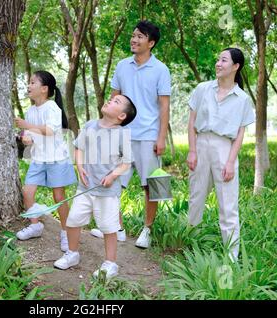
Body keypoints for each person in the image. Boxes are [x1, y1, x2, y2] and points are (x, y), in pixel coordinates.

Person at [90, 20, 171, 248]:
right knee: (114, 182)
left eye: (140, 37)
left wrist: (161, 137)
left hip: (148, 135)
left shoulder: (161, 69)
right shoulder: (122, 65)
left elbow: (164, 106)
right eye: (133, 35)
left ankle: (148, 230)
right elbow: (115, 98)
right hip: (121, 134)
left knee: (153, 185)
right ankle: (118, 228)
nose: (134, 40)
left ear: (151, 43)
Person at [53, 95, 137, 279]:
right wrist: (80, 167)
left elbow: (127, 162)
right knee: (73, 220)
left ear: (122, 116)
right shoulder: (91, 125)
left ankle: (110, 264)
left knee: (108, 227)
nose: (110, 100)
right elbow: (79, 148)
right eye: (111, 98)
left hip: (107, 192)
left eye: (116, 102)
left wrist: (113, 175)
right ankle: (72, 253)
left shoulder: (122, 134)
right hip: (85, 188)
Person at [187, 47, 255, 261]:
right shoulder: (202, 89)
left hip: (225, 149)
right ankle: (191, 246)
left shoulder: (242, 99)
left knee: (228, 204)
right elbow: (191, 122)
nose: (218, 63)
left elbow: (240, 134)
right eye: (218, 59)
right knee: (196, 198)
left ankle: (232, 257)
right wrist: (192, 150)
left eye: (223, 60)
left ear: (236, 66)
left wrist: (230, 162)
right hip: (201, 144)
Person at [14, 70, 77, 252]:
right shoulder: (30, 111)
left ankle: (65, 232)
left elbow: (50, 131)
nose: (28, 86)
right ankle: (35, 225)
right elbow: (32, 135)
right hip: (38, 159)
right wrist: (27, 138)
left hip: (57, 159)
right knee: (27, 192)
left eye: (33, 83)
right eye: (29, 82)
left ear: (44, 89)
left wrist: (27, 127)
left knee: (59, 196)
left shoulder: (52, 108)